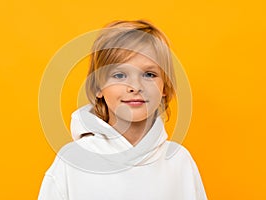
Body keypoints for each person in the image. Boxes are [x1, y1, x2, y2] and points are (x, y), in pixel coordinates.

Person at [38, 20, 207, 200]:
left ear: (164, 87)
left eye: (149, 74)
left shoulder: (180, 162)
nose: (135, 86)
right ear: (98, 88)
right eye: (119, 75)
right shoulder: (71, 163)